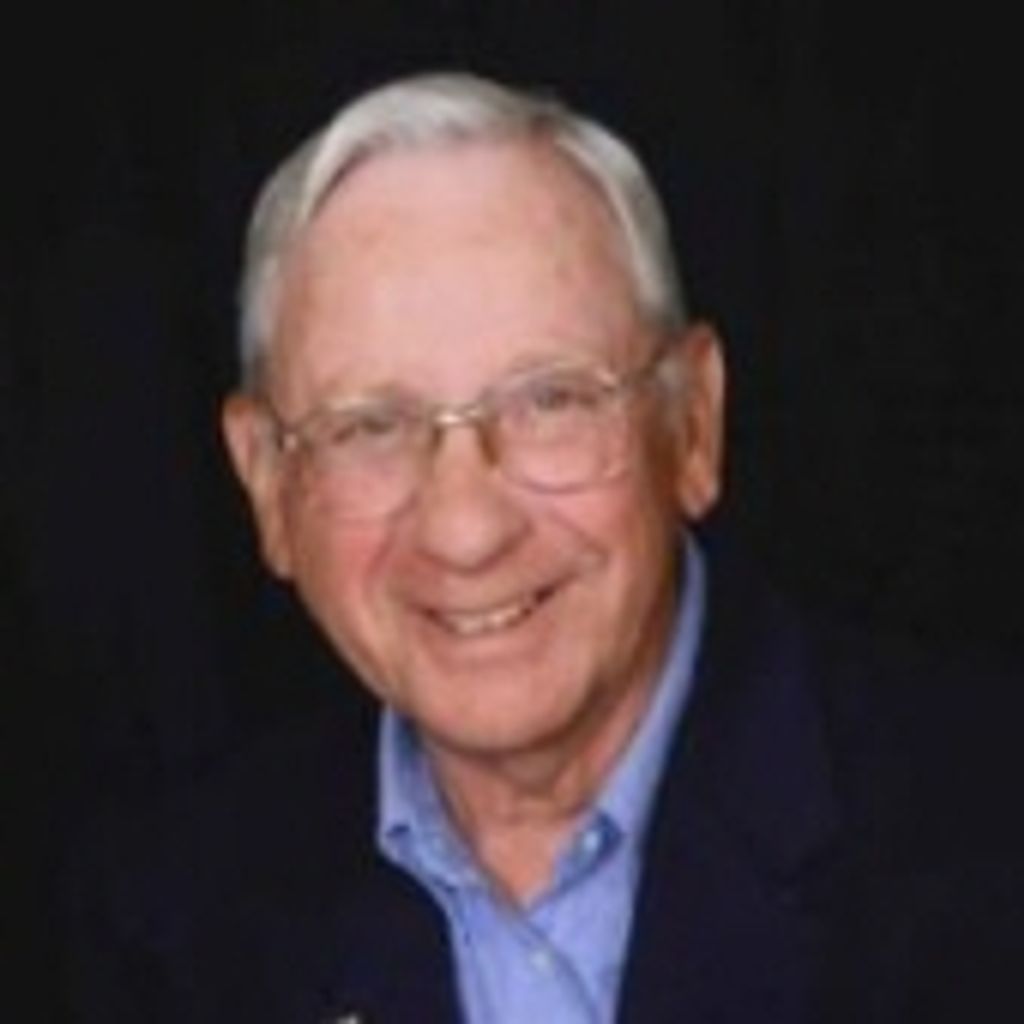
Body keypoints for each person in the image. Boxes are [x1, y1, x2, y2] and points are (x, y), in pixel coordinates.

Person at [66, 72, 1021, 1023]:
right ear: (267, 484)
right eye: (370, 427)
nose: (466, 531)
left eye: (549, 402)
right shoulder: (163, 926)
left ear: (692, 425)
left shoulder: (987, 835)